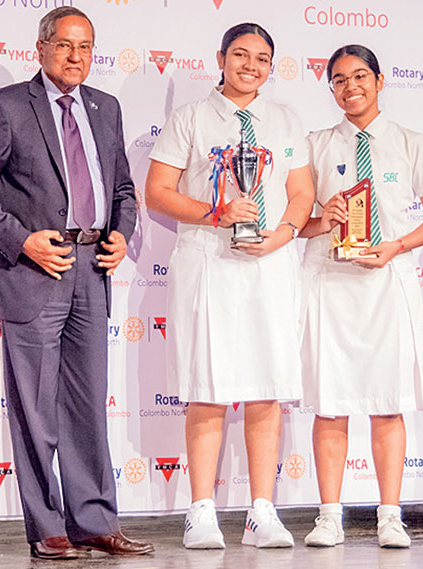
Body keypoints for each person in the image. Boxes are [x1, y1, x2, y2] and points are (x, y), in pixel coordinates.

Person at [0, 7, 153, 560]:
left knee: (88, 408)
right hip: (33, 271)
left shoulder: (106, 107)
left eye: (85, 47)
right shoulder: (8, 105)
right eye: (64, 45)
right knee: (36, 409)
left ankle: (94, 522)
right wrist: (23, 242)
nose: (75, 56)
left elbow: (123, 189)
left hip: (91, 269)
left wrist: (121, 233)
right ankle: (48, 527)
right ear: (40, 48)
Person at [145, 23, 314, 549]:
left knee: (267, 387)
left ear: (271, 67)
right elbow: (158, 192)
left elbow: (301, 193)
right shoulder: (191, 117)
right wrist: (215, 213)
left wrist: (282, 235)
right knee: (207, 386)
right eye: (241, 55)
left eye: (261, 58)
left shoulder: (285, 119)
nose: (250, 66)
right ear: (220, 58)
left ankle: (262, 510)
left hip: (269, 266)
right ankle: (201, 510)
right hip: (209, 264)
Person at [299, 45, 423, 548]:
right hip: (331, 283)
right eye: (339, 80)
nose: (351, 87)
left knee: (388, 404)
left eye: (360, 76)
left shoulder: (410, 143)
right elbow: (296, 222)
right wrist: (324, 219)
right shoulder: (315, 145)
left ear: (380, 81)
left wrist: (396, 247)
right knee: (330, 403)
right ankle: (329, 516)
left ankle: (390, 516)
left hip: (388, 282)